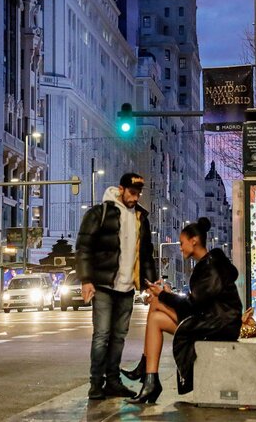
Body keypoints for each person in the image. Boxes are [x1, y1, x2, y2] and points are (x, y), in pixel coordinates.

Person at [122, 218, 243, 404]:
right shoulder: (208, 264)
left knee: (156, 304)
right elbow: (197, 302)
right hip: (212, 320)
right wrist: (166, 295)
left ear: (194, 240)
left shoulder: (212, 267)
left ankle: (148, 374)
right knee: (155, 315)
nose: (180, 247)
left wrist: (164, 295)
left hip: (218, 325)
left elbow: (192, 304)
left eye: (181, 243)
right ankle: (149, 377)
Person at [76, 173, 157, 401]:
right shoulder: (100, 213)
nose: (136, 197)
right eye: (132, 192)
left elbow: (147, 255)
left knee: (119, 336)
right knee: (102, 335)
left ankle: (113, 381)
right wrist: (86, 280)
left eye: (139, 193)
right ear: (121, 189)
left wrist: (150, 284)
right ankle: (95, 384)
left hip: (127, 288)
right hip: (103, 285)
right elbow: (83, 247)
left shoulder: (141, 217)